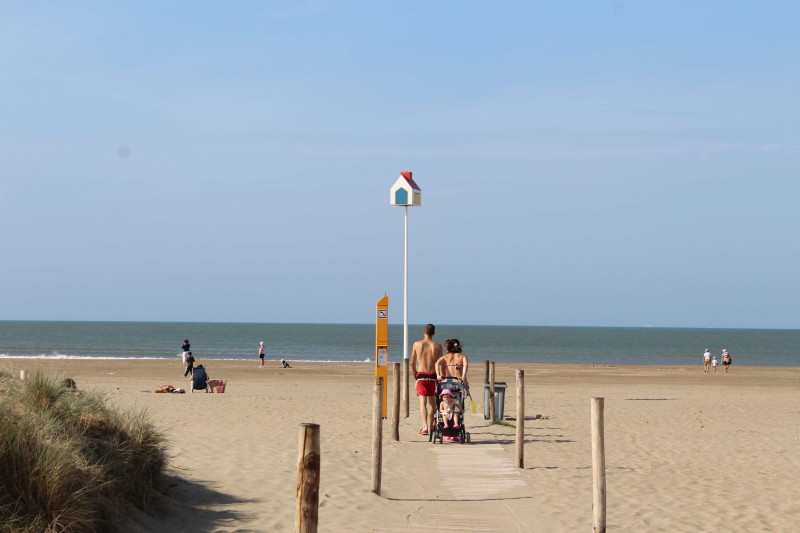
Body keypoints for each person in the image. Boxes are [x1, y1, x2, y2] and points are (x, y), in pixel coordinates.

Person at [410, 323, 443, 436]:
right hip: (433, 376)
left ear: (424, 331)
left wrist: (415, 373)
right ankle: (430, 425)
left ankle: (425, 427)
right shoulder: (437, 345)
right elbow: (440, 363)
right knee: (432, 404)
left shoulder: (417, 344)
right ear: (434, 333)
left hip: (421, 375)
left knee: (422, 403)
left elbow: (412, 362)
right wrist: (441, 376)